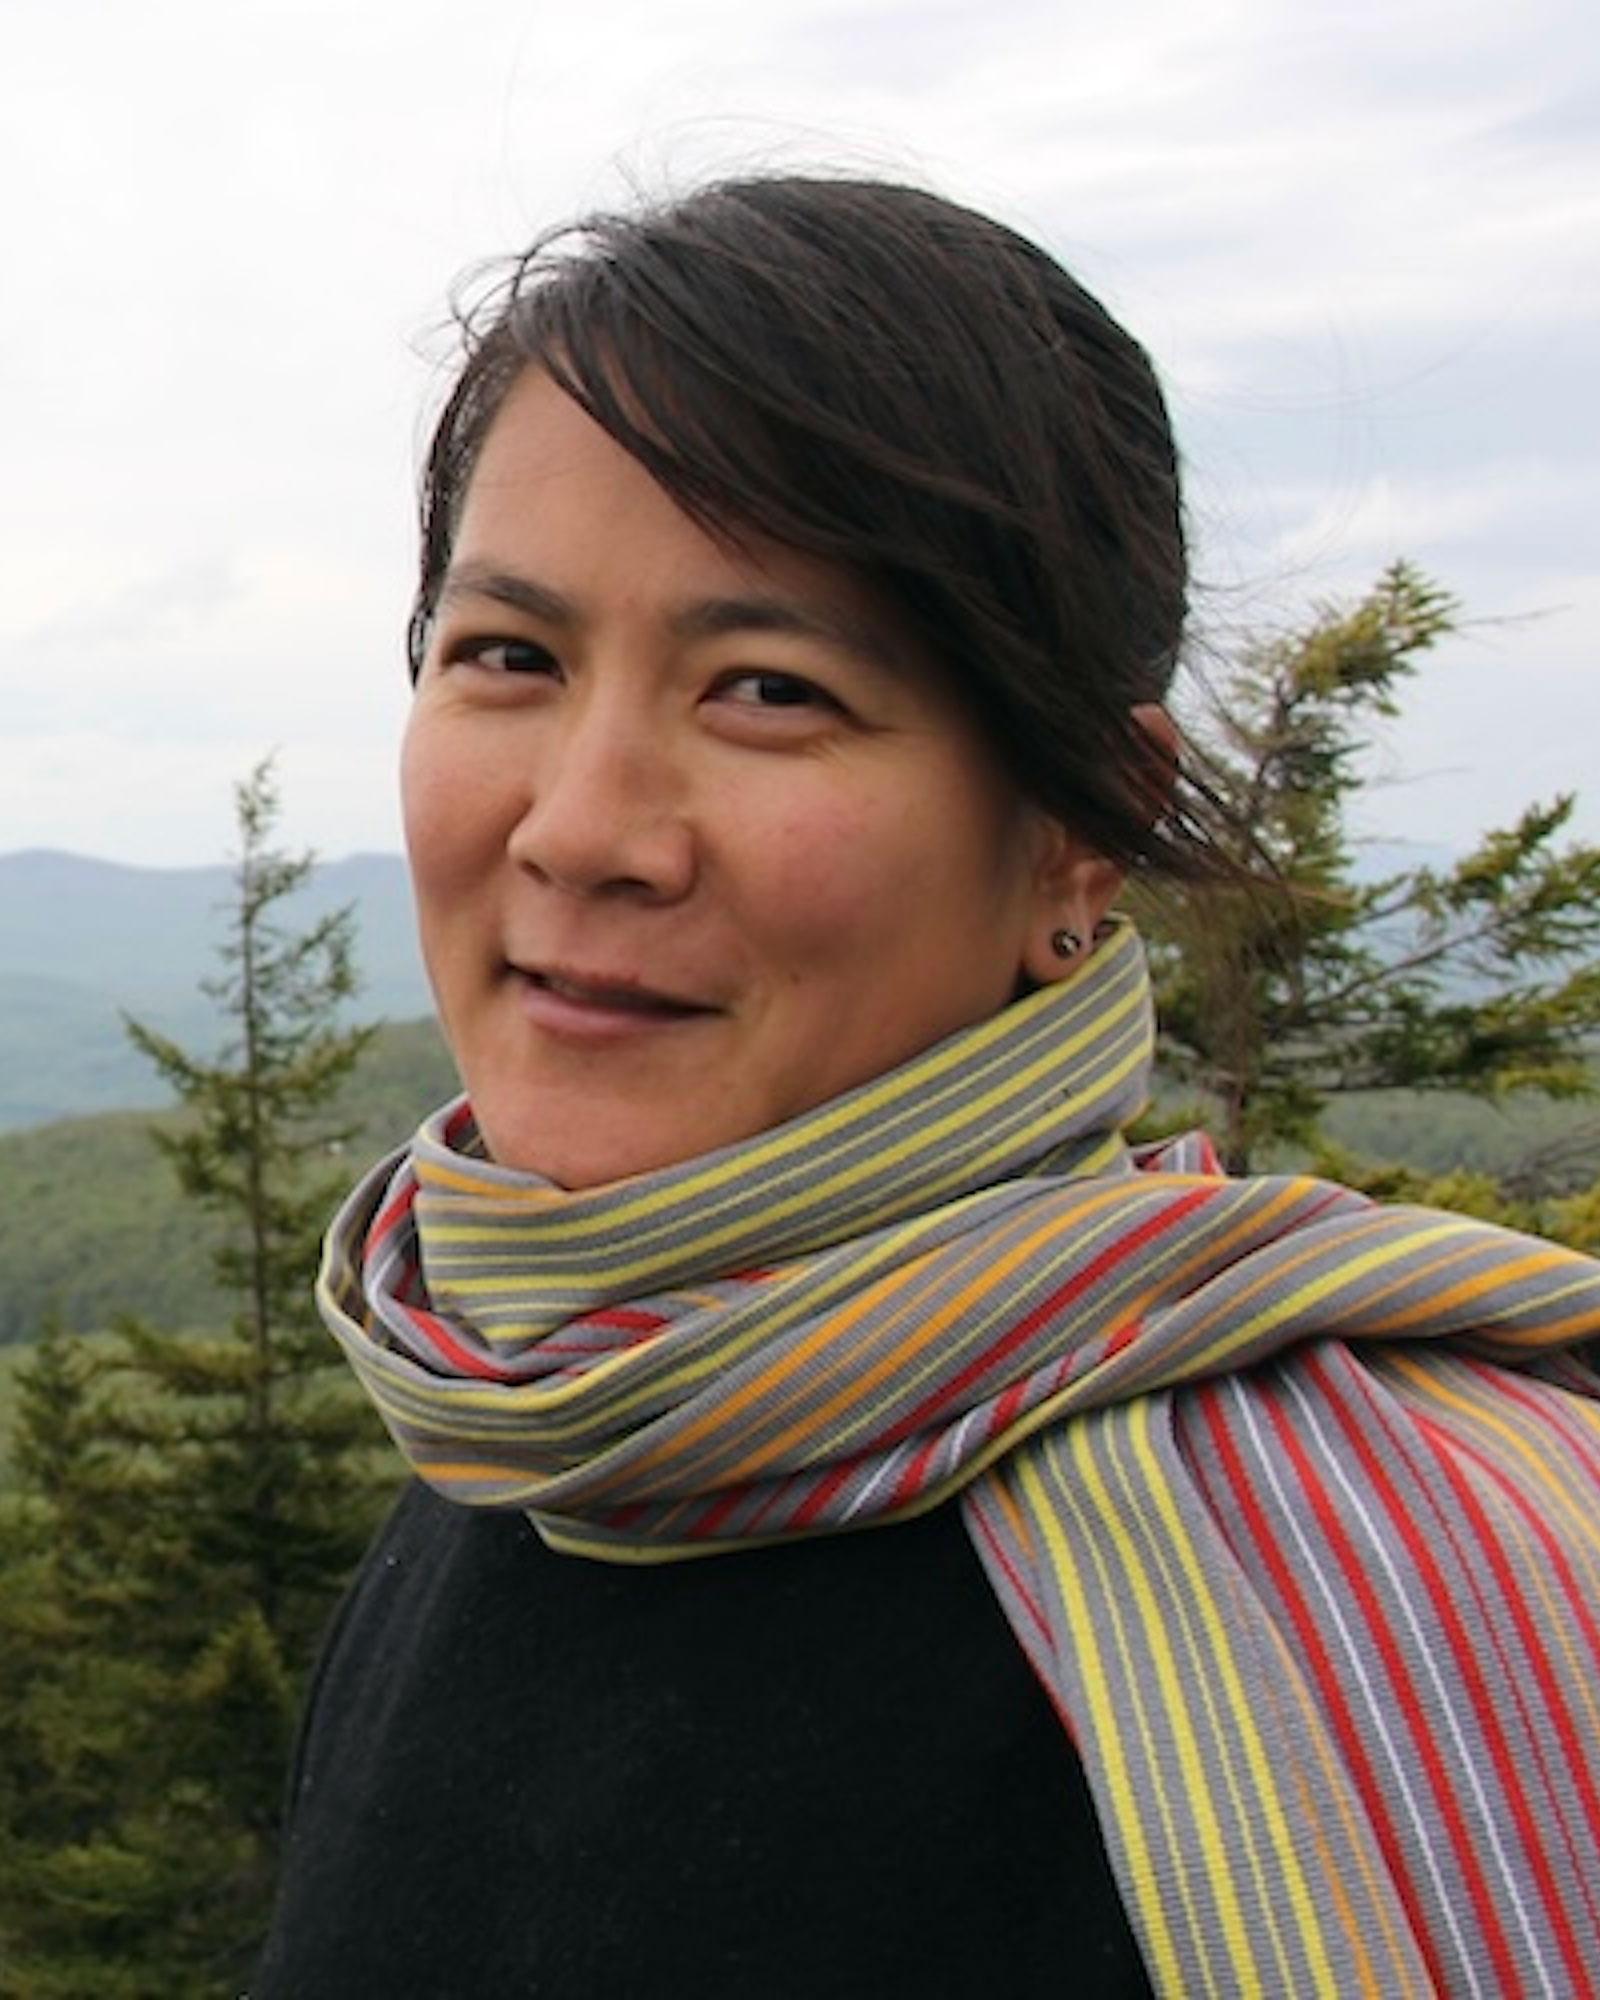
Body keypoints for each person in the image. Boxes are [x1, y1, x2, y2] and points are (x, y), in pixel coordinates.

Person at [251, 177, 1600, 1998]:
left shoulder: (1433, 1591)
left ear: (1076, 835)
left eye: (768, 690)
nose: (580, 830)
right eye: (511, 657)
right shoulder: (535, 1433)